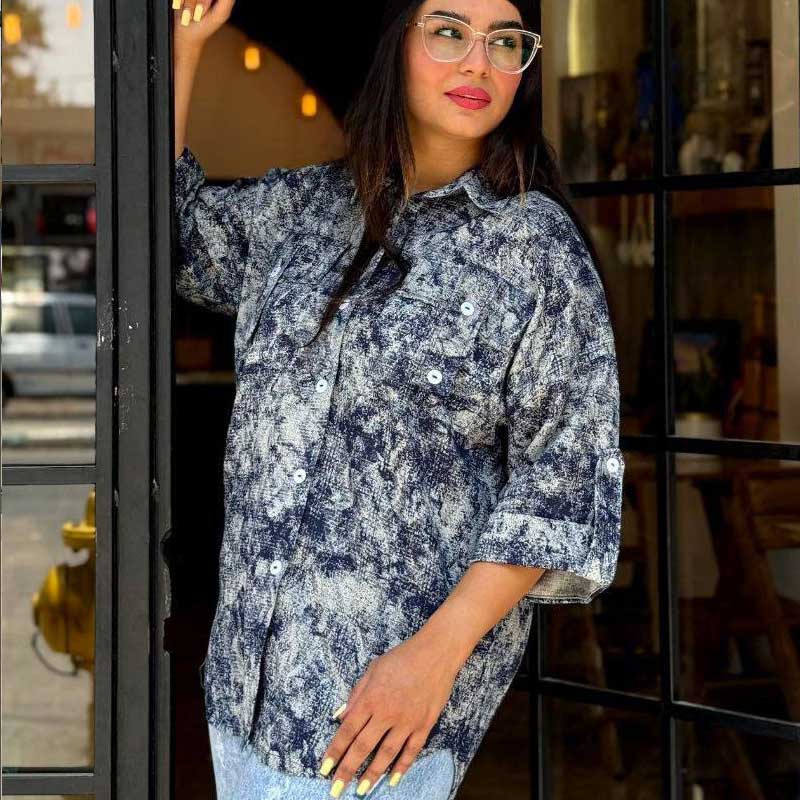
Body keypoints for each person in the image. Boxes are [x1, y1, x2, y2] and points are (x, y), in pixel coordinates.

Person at [172, 0, 626, 798]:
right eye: (449, 32)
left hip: (383, 713)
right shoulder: (304, 211)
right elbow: (167, 239)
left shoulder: (536, 251)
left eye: (506, 43)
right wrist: (182, 46)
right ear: (395, 47)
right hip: (244, 687)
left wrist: (431, 660)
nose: (478, 62)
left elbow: (563, 484)